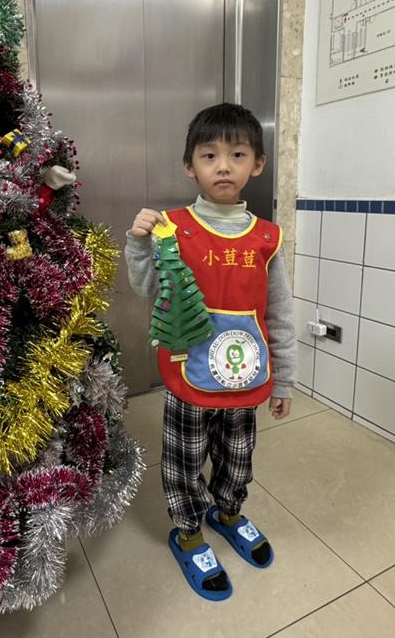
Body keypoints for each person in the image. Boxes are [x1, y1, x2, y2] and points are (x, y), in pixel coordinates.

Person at [125, 103, 295, 601]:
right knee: (183, 460)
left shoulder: (266, 239)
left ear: (257, 165)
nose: (223, 166)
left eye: (237, 154)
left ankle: (229, 511)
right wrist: (138, 245)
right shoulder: (173, 228)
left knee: (238, 456)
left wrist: (284, 380)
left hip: (245, 379)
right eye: (209, 155)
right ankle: (188, 533)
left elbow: (281, 314)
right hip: (188, 377)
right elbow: (148, 290)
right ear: (189, 166)